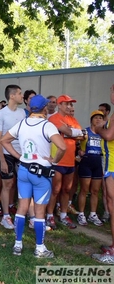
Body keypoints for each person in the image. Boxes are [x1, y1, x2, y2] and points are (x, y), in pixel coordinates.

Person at [1, 95, 66, 258]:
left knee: (22, 208)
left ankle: (17, 245)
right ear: (44, 108)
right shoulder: (47, 125)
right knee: (39, 211)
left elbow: (4, 140)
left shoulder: (22, 123)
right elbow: (62, 147)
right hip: (41, 173)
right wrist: (54, 160)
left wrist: (18, 156)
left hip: (23, 169)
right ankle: (39, 248)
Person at [46, 95, 85, 230]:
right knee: (55, 189)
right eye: (67, 104)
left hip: (70, 160)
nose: (70, 107)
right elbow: (69, 131)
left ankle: (63, 215)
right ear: (59, 105)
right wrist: (72, 133)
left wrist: (71, 133)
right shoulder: (54, 118)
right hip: (57, 159)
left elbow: (82, 135)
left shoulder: (72, 119)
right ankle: (49, 215)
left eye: (71, 105)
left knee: (66, 189)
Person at [0, 84, 25, 229]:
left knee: (24, 184)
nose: (22, 96)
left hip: (22, 154)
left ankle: (26, 214)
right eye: (19, 93)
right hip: (6, 153)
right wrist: (2, 160)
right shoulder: (1, 114)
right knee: (7, 184)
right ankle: (5, 216)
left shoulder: (22, 113)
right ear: (12, 96)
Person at [92, 85, 114, 264]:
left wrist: (99, 128)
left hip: (112, 165)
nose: (111, 95)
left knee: (113, 207)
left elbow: (108, 136)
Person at [76, 110, 104, 227]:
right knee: (84, 189)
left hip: (98, 162)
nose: (98, 120)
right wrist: (79, 151)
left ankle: (93, 214)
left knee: (95, 191)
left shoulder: (104, 133)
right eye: (96, 117)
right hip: (86, 161)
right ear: (91, 119)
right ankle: (81, 214)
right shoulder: (86, 131)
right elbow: (77, 143)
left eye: (100, 118)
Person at [99, 103, 111, 222]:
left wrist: (99, 129)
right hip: (103, 157)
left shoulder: (109, 122)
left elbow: (108, 136)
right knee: (105, 187)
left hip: (110, 158)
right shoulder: (101, 124)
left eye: (102, 111)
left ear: (107, 112)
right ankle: (107, 211)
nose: (100, 112)